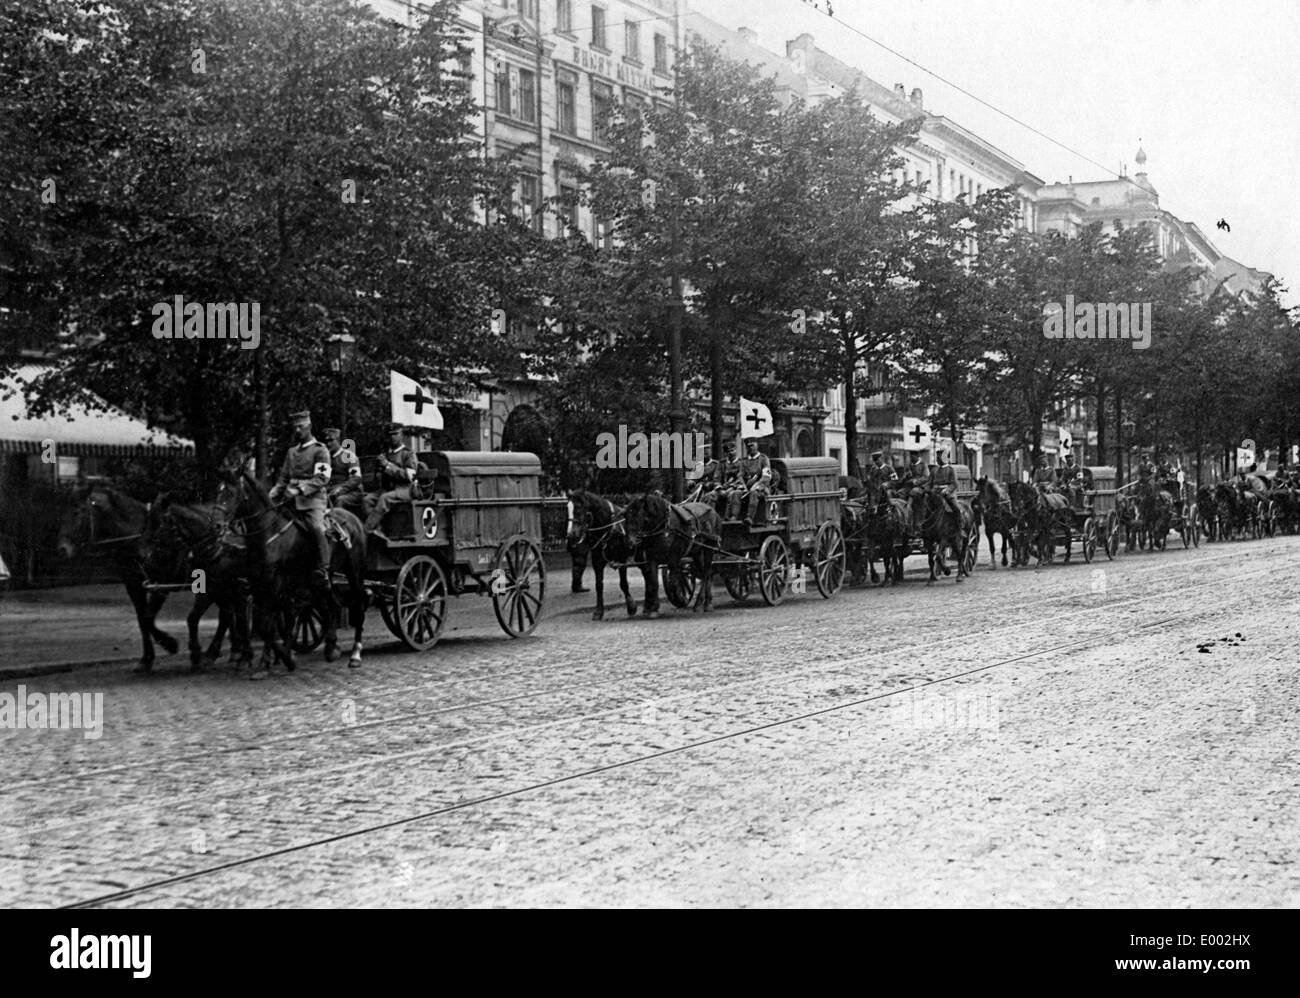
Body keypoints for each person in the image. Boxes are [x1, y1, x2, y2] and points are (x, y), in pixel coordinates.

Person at [268, 410, 332, 587]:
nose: (297, 431)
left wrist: (299, 490)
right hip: (290, 502)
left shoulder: (320, 450)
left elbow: (322, 479)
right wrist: (272, 493)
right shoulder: (291, 452)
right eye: (295, 427)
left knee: (316, 527)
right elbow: (283, 479)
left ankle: (323, 569)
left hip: (313, 502)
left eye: (301, 427)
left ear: (309, 426)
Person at [363, 424, 418, 532]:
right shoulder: (386, 454)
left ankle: (366, 530)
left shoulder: (408, 454)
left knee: (384, 499)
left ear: (402, 435)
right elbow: (379, 478)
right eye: (390, 435)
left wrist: (388, 465)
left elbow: (409, 476)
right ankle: (377, 528)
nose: (393, 437)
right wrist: (379, 467)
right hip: (387, 489)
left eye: (396, 434)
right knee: (367, 500)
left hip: (404, 489)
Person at [322, 426, 365, 521]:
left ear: (338, 440)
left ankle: (340, 527)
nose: (328, 444)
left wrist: (340, 489)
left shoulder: (348, 456)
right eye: (326, 441)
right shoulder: (325, 458)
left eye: (331, 441)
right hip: (332, 491)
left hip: (353, 492)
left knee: (340, 500)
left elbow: (356, 478)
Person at [730, 437, 773, 524]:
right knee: (736, 493)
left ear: (757, 446)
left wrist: (756, 485)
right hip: (747, 489)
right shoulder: (744, 461)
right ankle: (734, 516)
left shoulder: (763, 459)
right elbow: (740, 475)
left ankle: (750, 517)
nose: (750, 448)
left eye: (752, 445)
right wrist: (744, 486)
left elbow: (766, 477)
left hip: (762, 489)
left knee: (754, 493)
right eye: (748, 446)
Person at [930, 447, 961, 518]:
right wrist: (925, 489)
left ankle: (959, 525)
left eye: (940, 457)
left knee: (956, 508)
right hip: (935, 492)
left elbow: (955, 484)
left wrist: (947, 490)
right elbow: (929, 482)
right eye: (937, 457)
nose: (938, 459)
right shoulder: (934, 470)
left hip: (948, 493)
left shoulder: (951, 470)